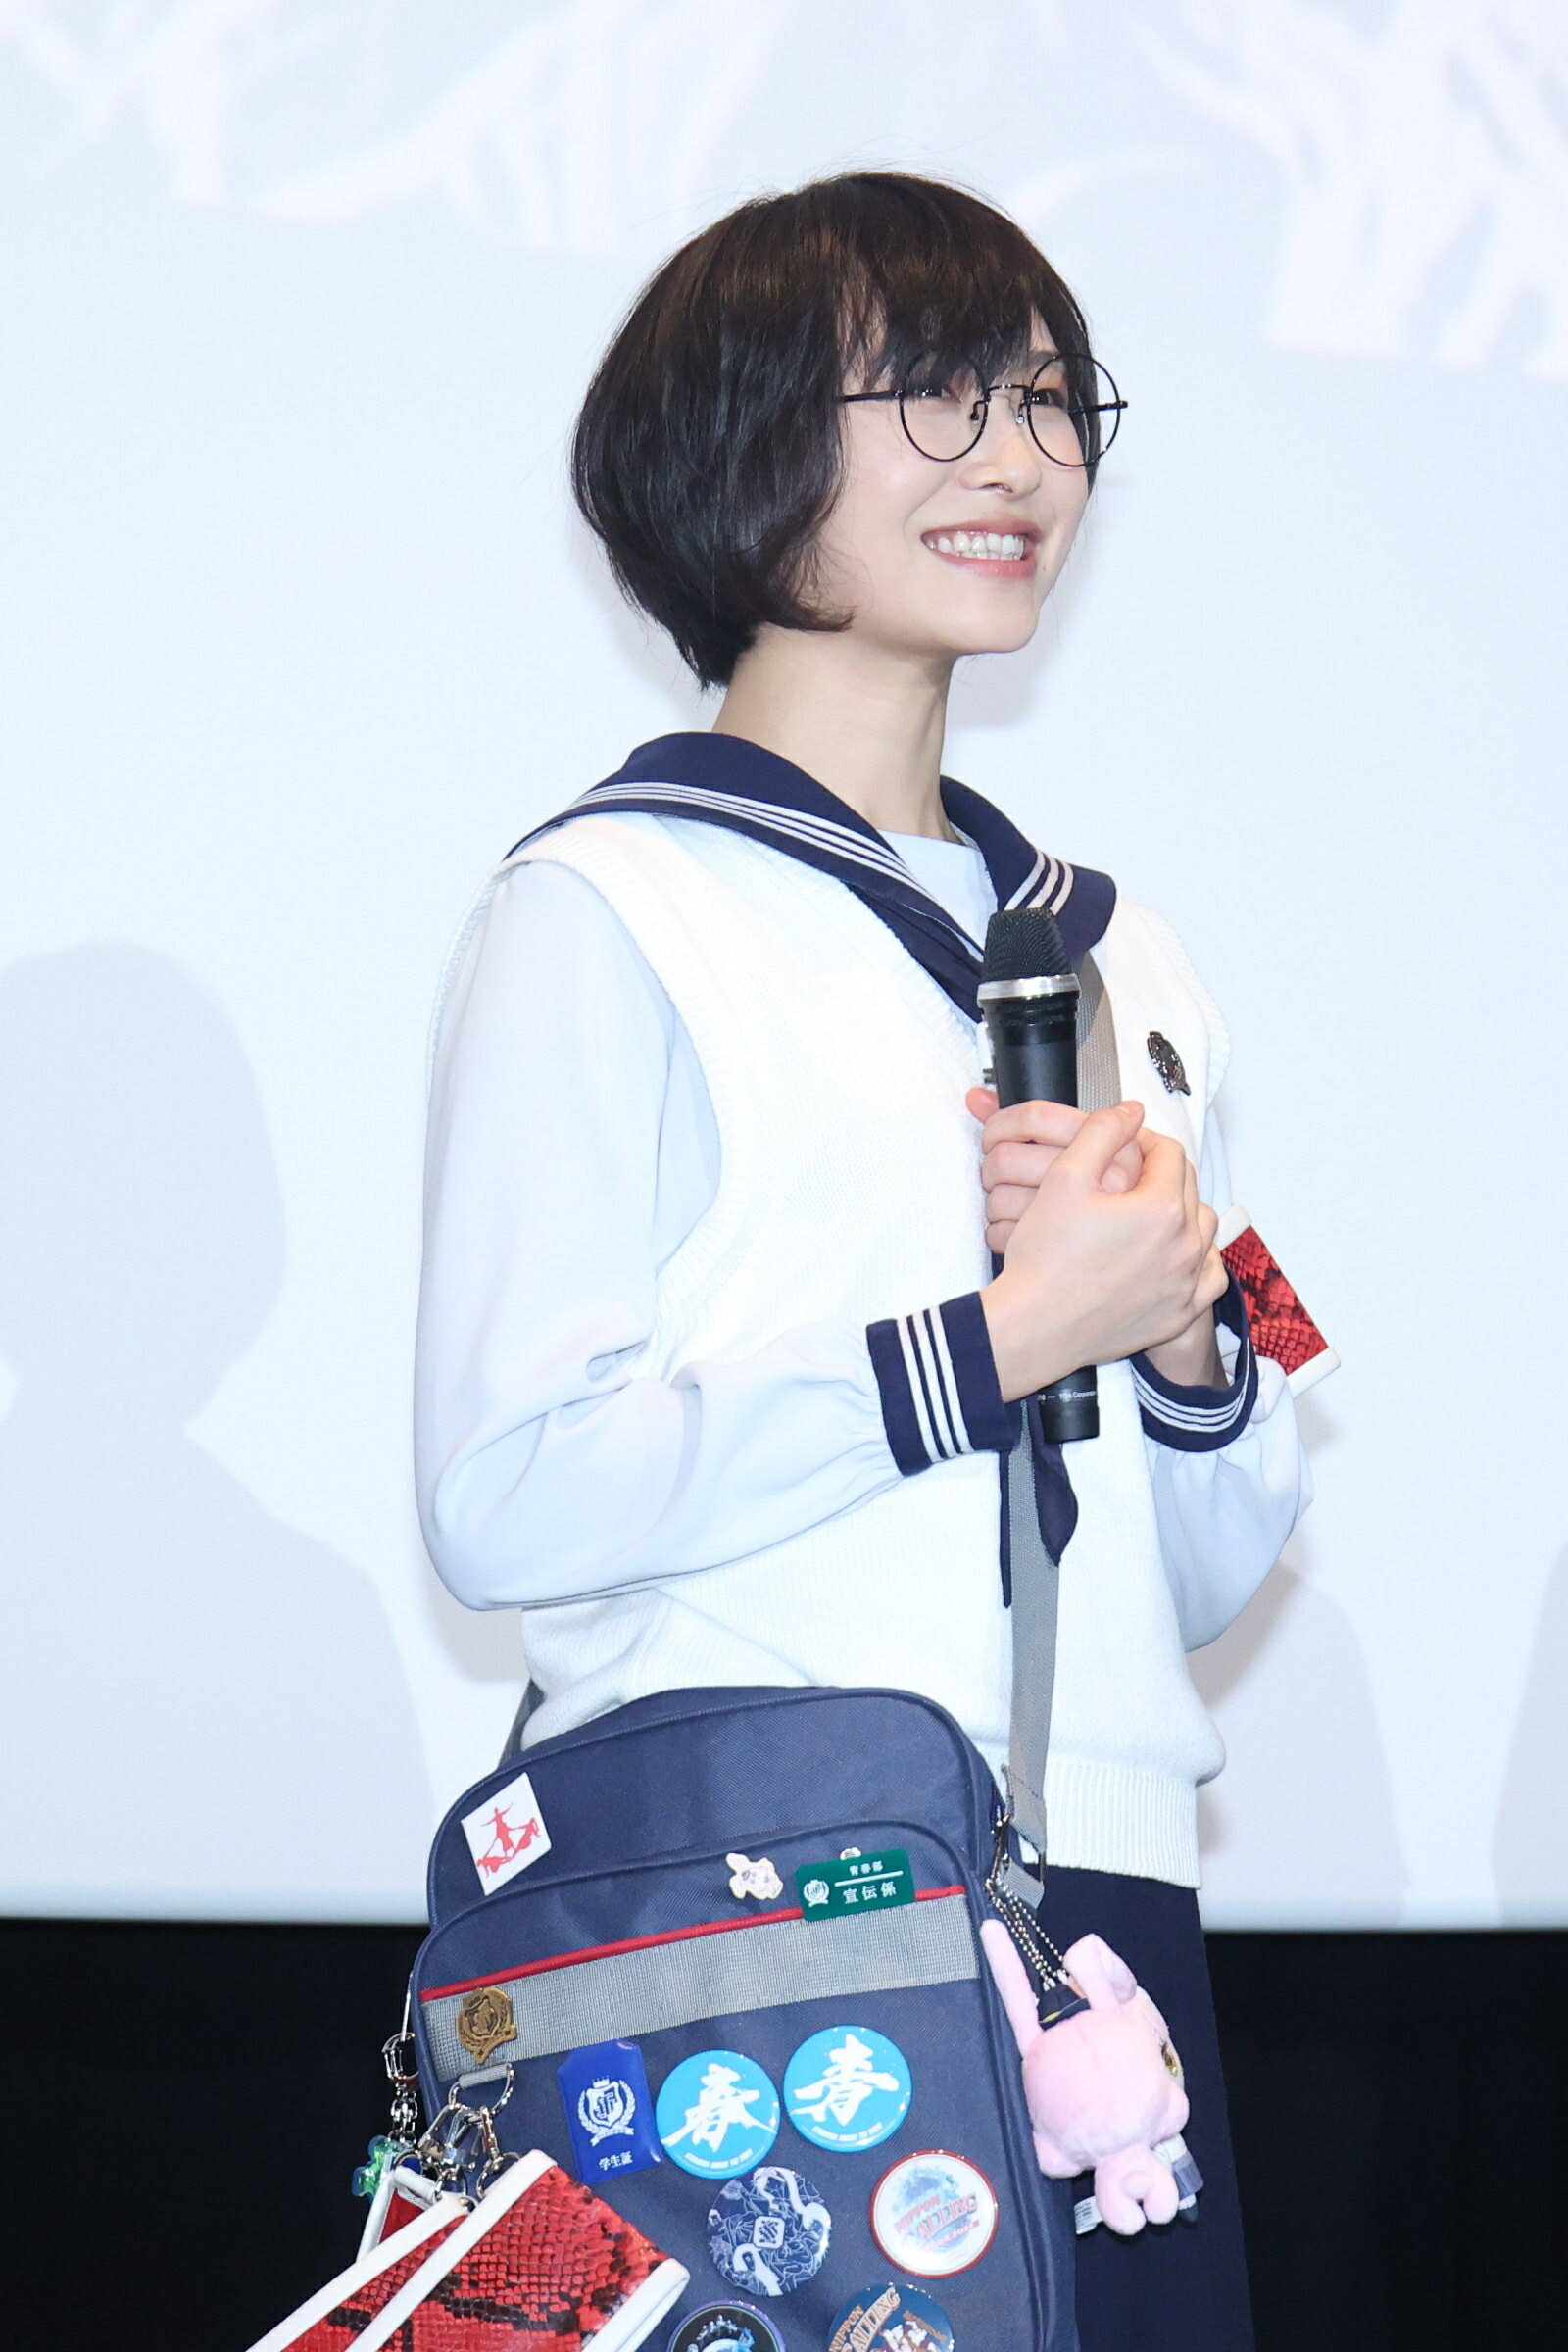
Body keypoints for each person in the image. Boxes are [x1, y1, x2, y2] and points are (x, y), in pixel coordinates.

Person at [414, 171, 1310, 2352]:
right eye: (933, 399)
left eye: (1048, 400)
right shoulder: (606, 909)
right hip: (758, 1903)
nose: (1017, 460)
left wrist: (1185, 1354)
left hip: (1104, 1908)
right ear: (733, 444)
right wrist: (987, 1342)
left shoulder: (1124, 955)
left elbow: (1194, 1579)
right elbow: (504, 1491)